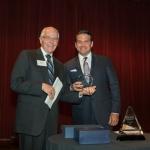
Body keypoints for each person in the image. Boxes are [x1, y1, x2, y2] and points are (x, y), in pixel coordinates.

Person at [10, 26, 80, 150]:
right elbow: (15, 83)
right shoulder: (27, 55)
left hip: (51, 123)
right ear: (41, 39)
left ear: (58, 43)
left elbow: (61, 94)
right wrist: (40, 86)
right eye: (48, 37)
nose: (51, 41)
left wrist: (77, 91)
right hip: (30, 121)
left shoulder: (60, 66)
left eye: (55, 39)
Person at [65, 30, 120, 128]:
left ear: (91, 44)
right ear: (75, 45)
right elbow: (66, 92)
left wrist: (115, 111)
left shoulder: (105, 61)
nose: (83, 44)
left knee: (106, 143)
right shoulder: (67, 66)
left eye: (86, 41)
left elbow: (114, 87)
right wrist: (73, 88)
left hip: (104, 115)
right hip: (80, 116)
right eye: (79, 42)